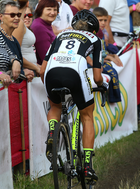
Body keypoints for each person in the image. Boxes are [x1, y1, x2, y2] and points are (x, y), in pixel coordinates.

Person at [40, 10, 109, 183]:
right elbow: (98, 77)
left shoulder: (60, 36)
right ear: (93, 29)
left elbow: (42, 70)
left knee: (55, 106)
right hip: (75, 73)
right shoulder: (94, 39)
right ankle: (87, 165)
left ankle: (51, 134)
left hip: (51, 73)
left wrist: (49, 86)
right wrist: (101, 86)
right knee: (87, 115)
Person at [0, 0, 34, 82]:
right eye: (12, 15)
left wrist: (25, 72)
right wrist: (23, 72)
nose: (17, 18)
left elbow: (19, 66)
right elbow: (0, 69)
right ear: (1, 16)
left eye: (18, 14)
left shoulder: (14, 40)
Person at [92, 7, 123, 103]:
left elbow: (103, 52)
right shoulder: (92, 33)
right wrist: (107, 58)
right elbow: (91, 54)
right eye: (100, 20)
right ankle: (113, 99)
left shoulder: (103, 33)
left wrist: (110, 56)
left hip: (100, 60)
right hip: (93, 63)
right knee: (112, 73)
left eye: (105, 20)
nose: (103, 23)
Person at [10, 0, 40, 75]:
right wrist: (36, 67)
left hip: (29, 69)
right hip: (25, 72)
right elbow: (16, 54)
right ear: (27, 3)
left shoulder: (19, 22)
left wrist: (37, 66)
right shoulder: (18, 23)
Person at [31, 0, 59, 64]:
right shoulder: (39, 27)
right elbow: (45, 57)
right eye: (49, 9)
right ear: (41, 10)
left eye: (55, 10)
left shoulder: (46, 24)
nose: (52, 13)